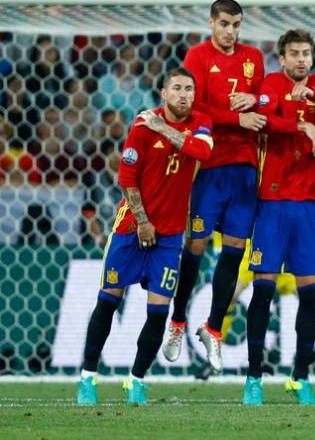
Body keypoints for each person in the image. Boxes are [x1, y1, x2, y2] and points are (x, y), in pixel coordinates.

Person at [76, 68, 214, 405]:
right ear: (164, 93)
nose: (183, 94)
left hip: (169, 237)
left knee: (158, 313)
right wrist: (142, 221)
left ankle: (135, 381)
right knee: (108, 302)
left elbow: (203, 151)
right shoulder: (141, 126)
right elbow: (126, 177)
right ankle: (87, 379)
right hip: (130, 230)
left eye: (189, 89)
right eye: (176, 88)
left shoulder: (200, 122)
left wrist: (164, 129)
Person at [242, 29, 315, 405]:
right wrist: (304, 125)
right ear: (282, 58)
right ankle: (254, 377)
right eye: (294, 54)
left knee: (311, 293)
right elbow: (263, 119)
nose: (301, 59)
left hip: (307, 205)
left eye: (306, 53)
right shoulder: (271, 83)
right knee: (264, 289)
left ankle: (300, 376)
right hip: (270, 203)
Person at [162, 0, 267, 373]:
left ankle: (213, 329)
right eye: (224, 24)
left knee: (235, 250)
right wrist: (238, 119)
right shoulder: (197, 56)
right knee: (197, 245)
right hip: (209, 165)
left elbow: (268, 101)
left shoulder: (254, 57)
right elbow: (196, 109)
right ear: (211, 23)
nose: (230, 31)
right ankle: (177, 323)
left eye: (236, 24)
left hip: (245, 168)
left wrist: (257, 99)